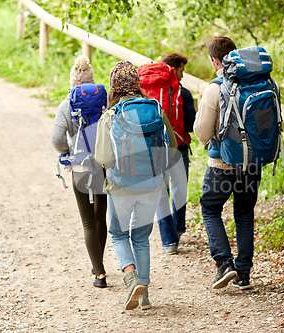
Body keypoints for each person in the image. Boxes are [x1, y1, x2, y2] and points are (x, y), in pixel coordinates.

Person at [94, 61, 177, 310]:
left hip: (121, 186)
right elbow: (171, 147)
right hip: (152, 184)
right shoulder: (156, 109)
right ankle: (145, 296)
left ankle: (131, 280)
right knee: (141, 237)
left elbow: (104, 158)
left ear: (114, 87)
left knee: (119, 234)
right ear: (136, 84)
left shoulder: (110, 116)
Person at [193, 37, 262, 290]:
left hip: (222, 165)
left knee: (210, 208)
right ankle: (243, 274)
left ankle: (224, 264)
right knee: (244, 214)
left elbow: (201, 133)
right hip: (252, 163)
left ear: (214, 61)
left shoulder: (215, 88)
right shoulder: (256, 81)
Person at [51, 55, 108, 288]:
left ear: (72, 81)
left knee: (87, 222)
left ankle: (99, 273)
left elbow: (56, 139)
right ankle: (99, 262)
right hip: (103, 165)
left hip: (80, 166)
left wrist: (68, 150)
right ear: (91, 81)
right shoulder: (105, 101)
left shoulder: (67, 105)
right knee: (100, 217)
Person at [155, 52, 196, 254]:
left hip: (153, 150)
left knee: (161, 194)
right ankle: (178, 229)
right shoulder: (184, 93)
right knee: (179, 191)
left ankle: (169, 242)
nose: (183, 75)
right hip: (178, 149)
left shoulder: (147, 91)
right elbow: (190, 124)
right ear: (174, 69)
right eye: (181, 70)